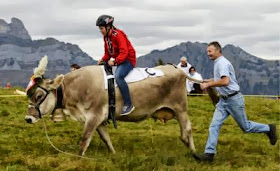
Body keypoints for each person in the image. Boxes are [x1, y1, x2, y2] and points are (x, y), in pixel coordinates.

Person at [193, 41, 277, 162]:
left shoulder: (222, 63)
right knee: (214, 125)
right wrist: (208, 80)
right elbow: (222, 79)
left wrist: (208, 85)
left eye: (210, 51)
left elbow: (225, 81)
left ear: (218, 50)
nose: (208, 54)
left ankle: (269, 128)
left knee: (246, 127)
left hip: (233, 100)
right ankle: (209, 154)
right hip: (223, 101)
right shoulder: (218, 62)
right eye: (207, 52)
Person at [96, 15, 136, 115]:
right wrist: (102, 60)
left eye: (101, 28)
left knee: (118, 76)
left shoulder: (118, 35)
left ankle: (128, 104)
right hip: (119, 60)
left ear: (108, 27)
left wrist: (115, 62)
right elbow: (107, 53)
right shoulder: (106, 38)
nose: (100, 31)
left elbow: (124, 52)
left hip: (128, 60)